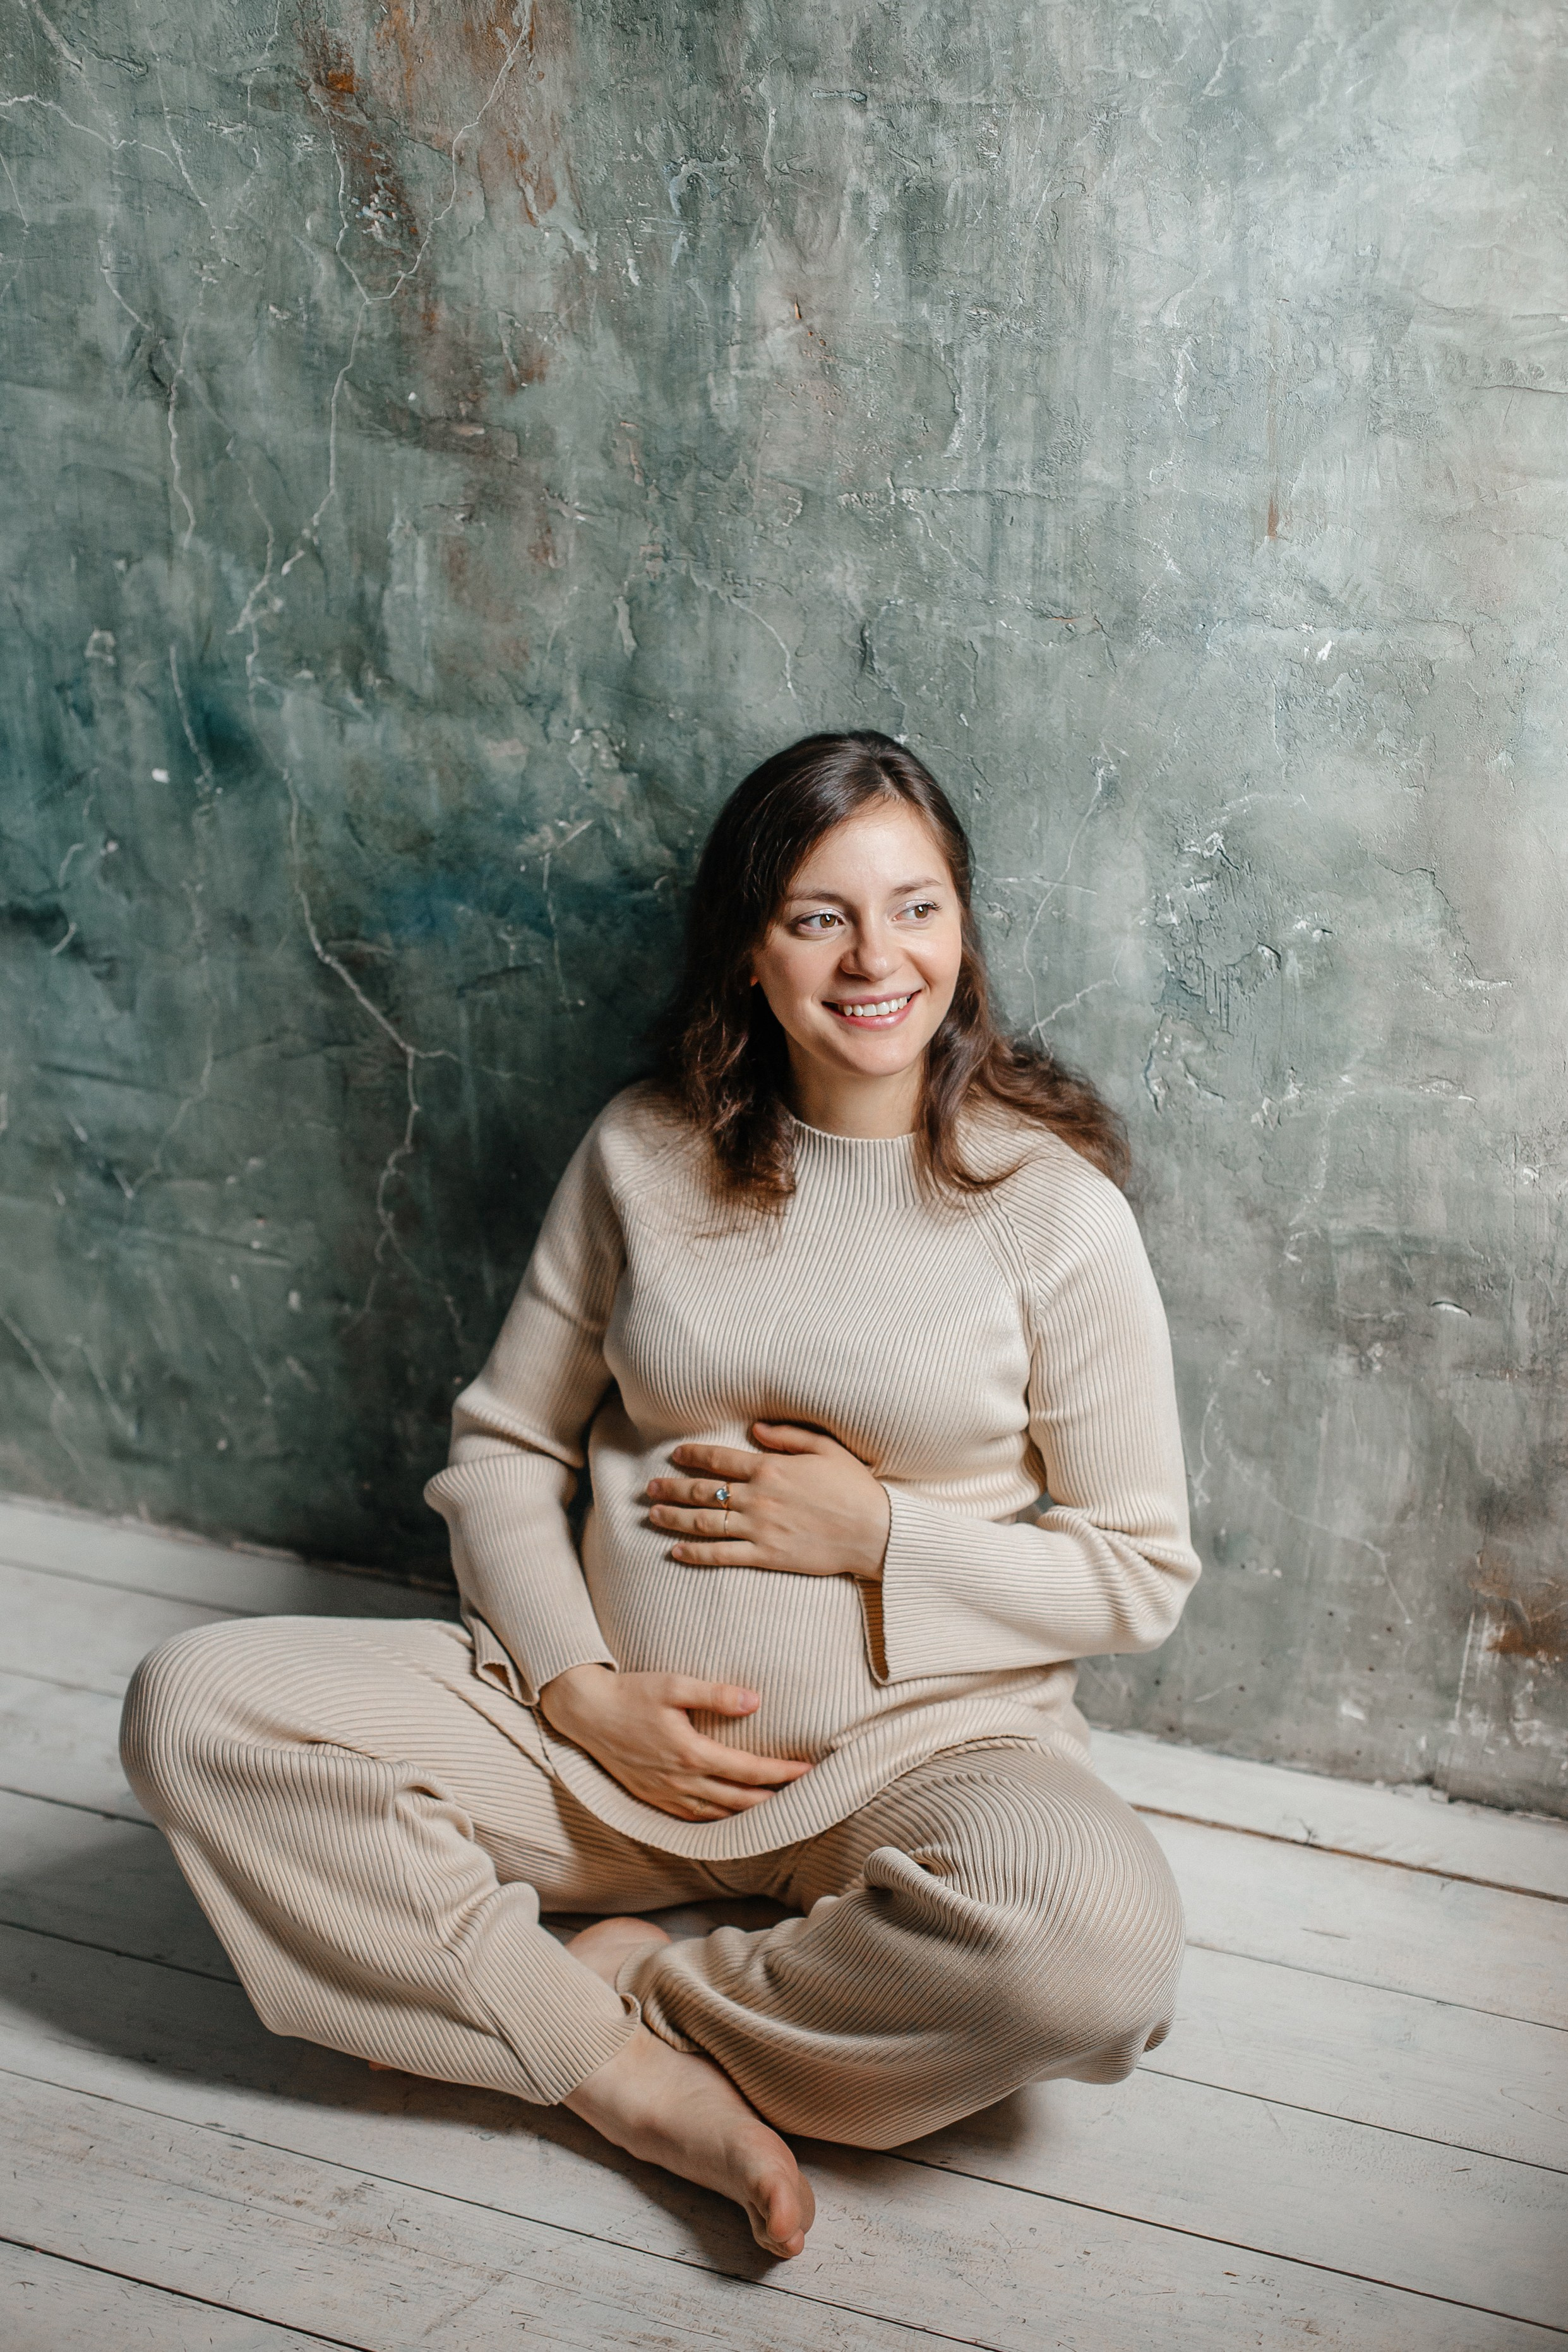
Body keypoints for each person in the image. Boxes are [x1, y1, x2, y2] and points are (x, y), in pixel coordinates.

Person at [121, 731, 1199, 2261]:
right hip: (596, 1756)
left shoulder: (1054, 1214)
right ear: (749, 949)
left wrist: (880, 1535)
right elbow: (504, 1449)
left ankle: (638, 1990)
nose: (876, 957)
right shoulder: (645, 1150)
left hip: (914, 1755)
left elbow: (1137, 1570)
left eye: (917, 907)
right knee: (195, 1705)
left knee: (1094, 1947)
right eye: (819, 916)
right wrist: (576, 1684)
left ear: (963, 930)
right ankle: (619, 2075)